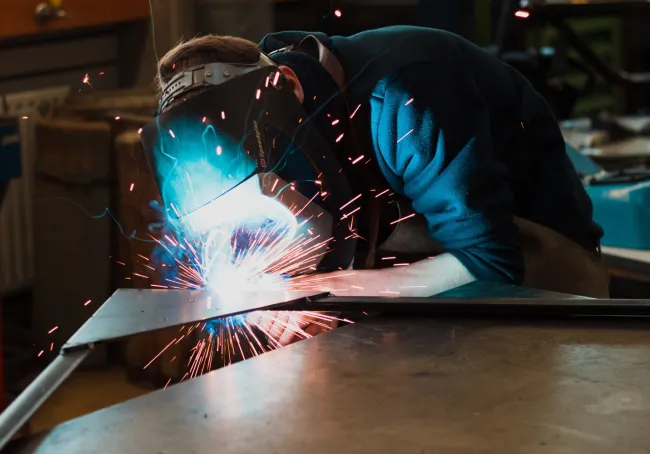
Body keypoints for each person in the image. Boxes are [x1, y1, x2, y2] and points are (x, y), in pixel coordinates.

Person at [152, 26, 610, 342]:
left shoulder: (406, 98)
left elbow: (493, 263)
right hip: (424, 275)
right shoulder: (272, 113)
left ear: (287, 84)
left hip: (538, 270)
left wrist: (325, 291)